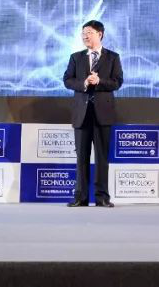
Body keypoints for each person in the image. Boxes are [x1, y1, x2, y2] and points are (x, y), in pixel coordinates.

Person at [62, 20, 123, 207]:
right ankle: (80, 197)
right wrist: (84, 83)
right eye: (83, 33)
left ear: (100, 34)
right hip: (82, 114)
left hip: (103, 114)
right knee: (81, 158)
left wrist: (99, 81)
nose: (84, 36)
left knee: (102, 158)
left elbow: (117, 82)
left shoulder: (112, 57)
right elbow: (67, 80)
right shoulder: (76, 57)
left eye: (89, 32)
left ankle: (102, 197)